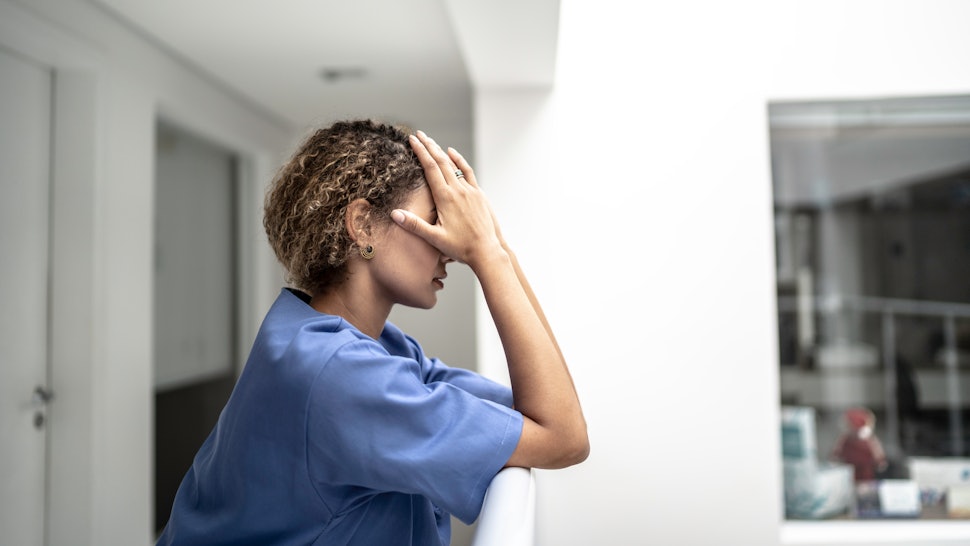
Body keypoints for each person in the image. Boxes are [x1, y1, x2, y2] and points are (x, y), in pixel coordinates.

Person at [157, 119, 588, 545]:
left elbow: (539, 412)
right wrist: (488, 256)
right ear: (362, 224)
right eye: (436, 221)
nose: (452, 249)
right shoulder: (338, 373)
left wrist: (495, 245)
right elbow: (563, 437)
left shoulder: (370, 346)